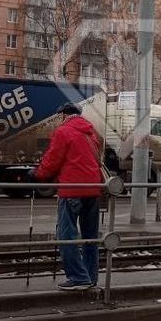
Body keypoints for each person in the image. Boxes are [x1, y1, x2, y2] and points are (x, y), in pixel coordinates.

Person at [33, 103, 105, 290]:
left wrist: (38, 174)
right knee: (90, 237)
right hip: (93, 190)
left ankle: (79, 278)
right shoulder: (91, 133)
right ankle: (90, 277)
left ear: (64, 115)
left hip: (72, 190)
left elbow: (52, 159)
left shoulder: (63, 131)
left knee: (67, 235)